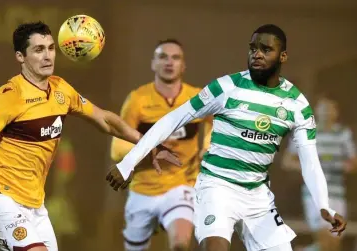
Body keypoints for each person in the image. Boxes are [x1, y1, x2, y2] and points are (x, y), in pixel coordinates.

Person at [106, 24, 347, 251]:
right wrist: (129, 162)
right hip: (217, 187)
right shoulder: (226, 88)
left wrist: (324, 206)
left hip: (258, 197)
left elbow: (310, 162)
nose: (257, 55)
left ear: (283, 56)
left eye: (266, 49)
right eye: (253, 49)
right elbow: (171, 120)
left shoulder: (297, 105)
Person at [0, 21, 179, 251]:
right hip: (1, 199)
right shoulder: (10, 96)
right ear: (20, 57)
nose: (48, 56)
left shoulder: (60, 89)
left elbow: (104, 120)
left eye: (51, 48)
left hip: (35, 205)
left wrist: (149, 144)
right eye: (38, 50)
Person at [111, 39, 212, 251]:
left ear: (183, 66)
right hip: (142, 189)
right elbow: (117, 149)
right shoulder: (138, 99)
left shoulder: (197, 97)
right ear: (153, 64)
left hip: (181, 185)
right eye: (163, 57)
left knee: (180, 245)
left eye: (176, 57)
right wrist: (152, 152)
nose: (169, 62)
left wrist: (206, 149)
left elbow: (217, 121)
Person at [282, 96, 356, 251]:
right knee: (324, 236)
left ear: (336, 112)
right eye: (323, 109)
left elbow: (353, 163)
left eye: (329, 109)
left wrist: (345, 166)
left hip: (337, 193)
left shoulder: (343, 134)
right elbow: (287, 161)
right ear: (316, 111)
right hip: (314, 193)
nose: (326, 113)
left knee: (333, 244)